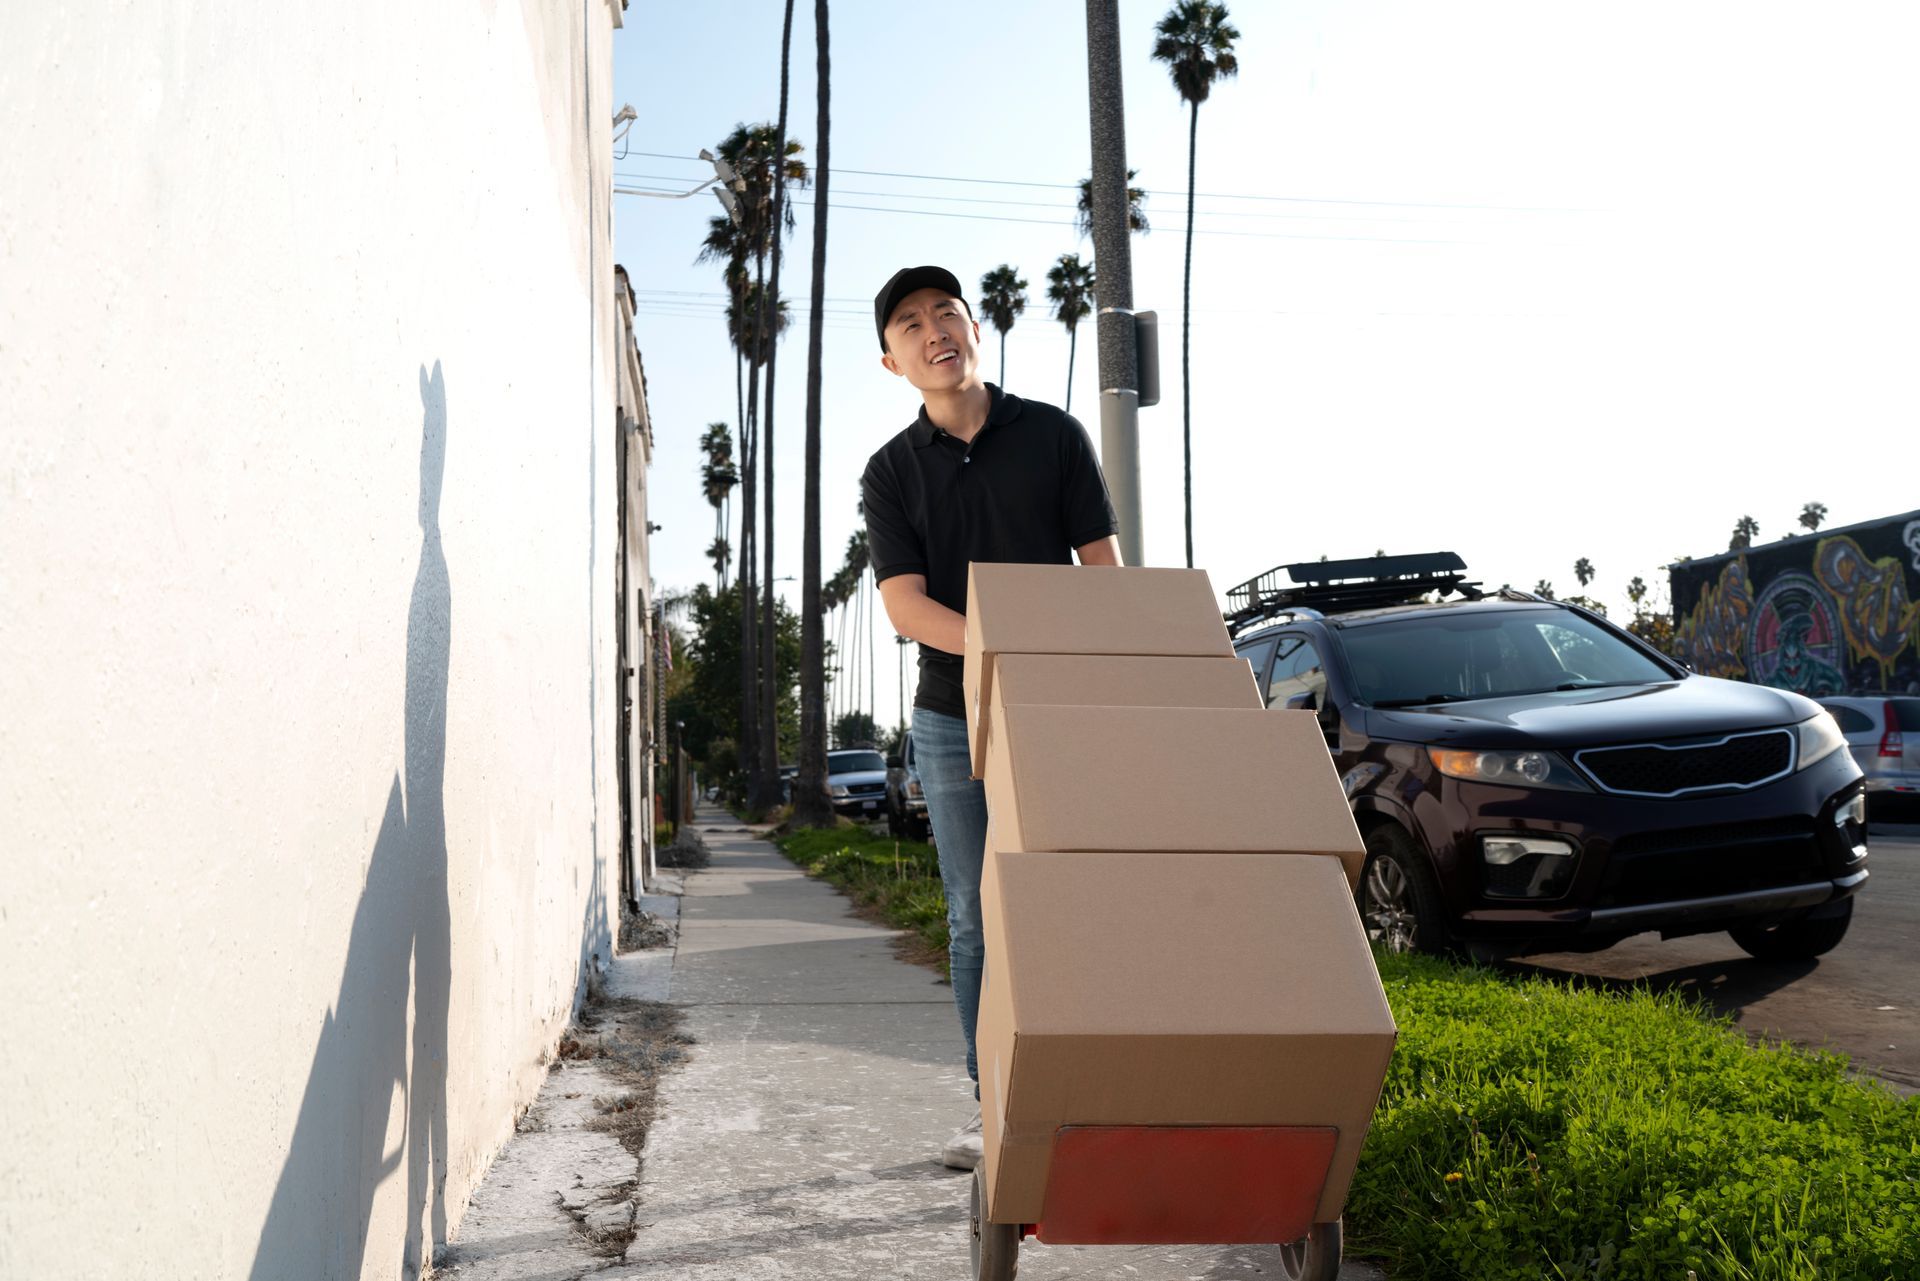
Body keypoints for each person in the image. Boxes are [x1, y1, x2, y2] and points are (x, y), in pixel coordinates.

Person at [860, 265, 1123, 1169]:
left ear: (974, 329)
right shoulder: (891, 473)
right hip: (951, 716)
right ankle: (998, 1109)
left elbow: (1105, 573)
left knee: (1075, 902)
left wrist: (1083, 669)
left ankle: (1090, 1097)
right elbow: (905, 605)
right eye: (909, 323)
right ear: (892, 360)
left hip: (1063, 711)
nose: (934, 330)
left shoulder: (1051, 434)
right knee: (977, 915)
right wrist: (1008, 644)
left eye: (946, 312)